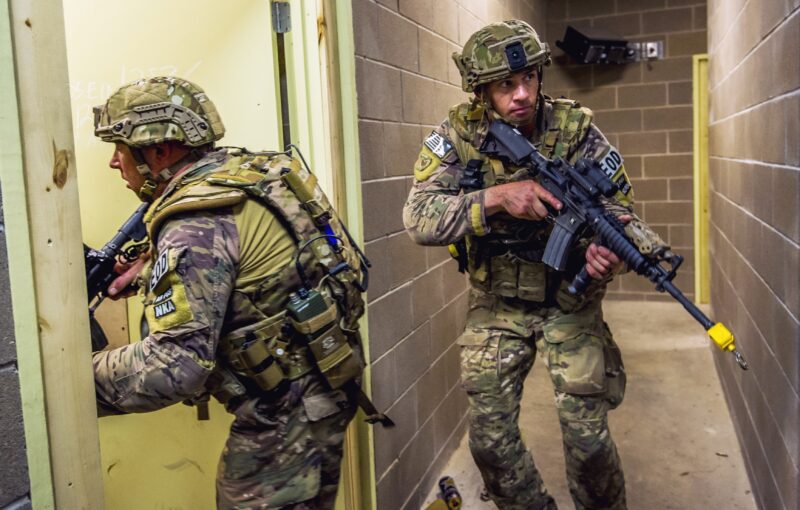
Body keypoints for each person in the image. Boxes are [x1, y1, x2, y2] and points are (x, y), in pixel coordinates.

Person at [404, 20, 668, 510]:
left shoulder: (576, 129)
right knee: (489, 442)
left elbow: (621, 210)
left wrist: (605, 255)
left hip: (570, 298)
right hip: (496, 302)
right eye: (506, 85)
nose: (522, 94)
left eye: (529, 79)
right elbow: (418, 218)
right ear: (481, 90)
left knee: (589, 444)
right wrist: (498, 198)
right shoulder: (457, 136)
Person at [91, 76, 376, 509]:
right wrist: (152, 270)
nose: (115, 163)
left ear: (159, 152)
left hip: (285, 421)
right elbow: (261, 268)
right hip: (324, 385)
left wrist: (76, 379)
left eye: (120, 149)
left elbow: (175, 367)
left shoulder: (195, 222)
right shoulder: (252, 174)